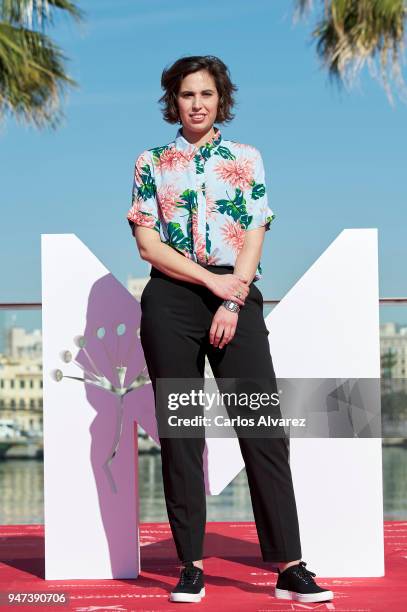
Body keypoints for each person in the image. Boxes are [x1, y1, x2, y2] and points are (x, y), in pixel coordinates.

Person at [126, 55, 334, 605]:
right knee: (182, 435)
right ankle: (190, 565)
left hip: (235, 294)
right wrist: (206, 284)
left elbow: (255, 229)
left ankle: (290, 564)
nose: (197, 103)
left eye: (207, 94)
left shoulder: (246, 158)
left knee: (263, 427)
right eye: (187, 94)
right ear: (173, 100)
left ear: (222, 100)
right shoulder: (151, 161)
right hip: (170, 298)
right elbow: (148, 244)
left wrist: (231, 295)